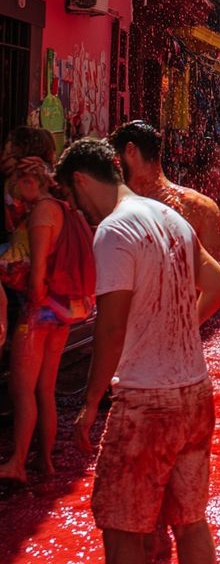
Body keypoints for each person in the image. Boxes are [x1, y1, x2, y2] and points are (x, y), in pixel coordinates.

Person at [58, 137, 220, 564]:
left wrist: (92, 401)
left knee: (122, 529)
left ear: (80, 180)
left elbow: (112, 328)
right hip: (195, 393)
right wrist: (177, 329)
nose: (78, 210)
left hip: (145, 403)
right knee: (190, 521)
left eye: (70, 196)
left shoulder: (114, 231)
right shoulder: (170, 217)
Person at [0, 155, 95, 482]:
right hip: (64, 310)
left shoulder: (42, 212)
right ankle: (45, 462)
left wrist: (29, 313)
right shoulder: (64, 207)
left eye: (16, 182)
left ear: (30, 182)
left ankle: (17, 462)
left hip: (42, 308)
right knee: (45, 388)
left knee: (21, 388)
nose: (13, 189)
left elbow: (39, 271)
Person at [109, 121, 220, 271]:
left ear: (130, 150)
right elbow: (218, 277)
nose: (115, 166)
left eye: (116, 159)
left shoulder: (113, 207)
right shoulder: (200, 206)